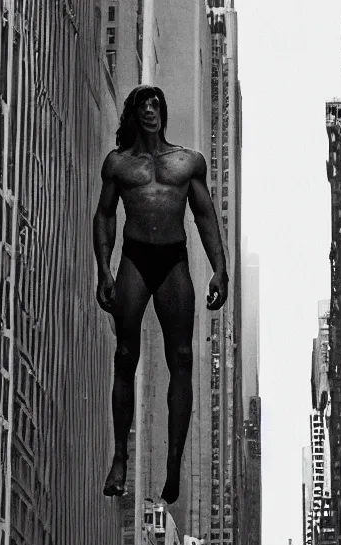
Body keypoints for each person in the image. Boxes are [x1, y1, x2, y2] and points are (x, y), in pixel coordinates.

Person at [93, 85, 228, 504]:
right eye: (143, 105)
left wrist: (220, 270)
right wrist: (103, 270)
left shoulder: (187, 162)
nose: (150, 110)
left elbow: (205, 217)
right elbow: (104, 216)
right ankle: (119, 458)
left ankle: (173, 462)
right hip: (134, 259)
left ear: (162, 113)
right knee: (125, 356)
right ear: (133, 114)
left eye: (156, 104)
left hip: (173, 261)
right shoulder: (118, 164)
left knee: (182, 357)